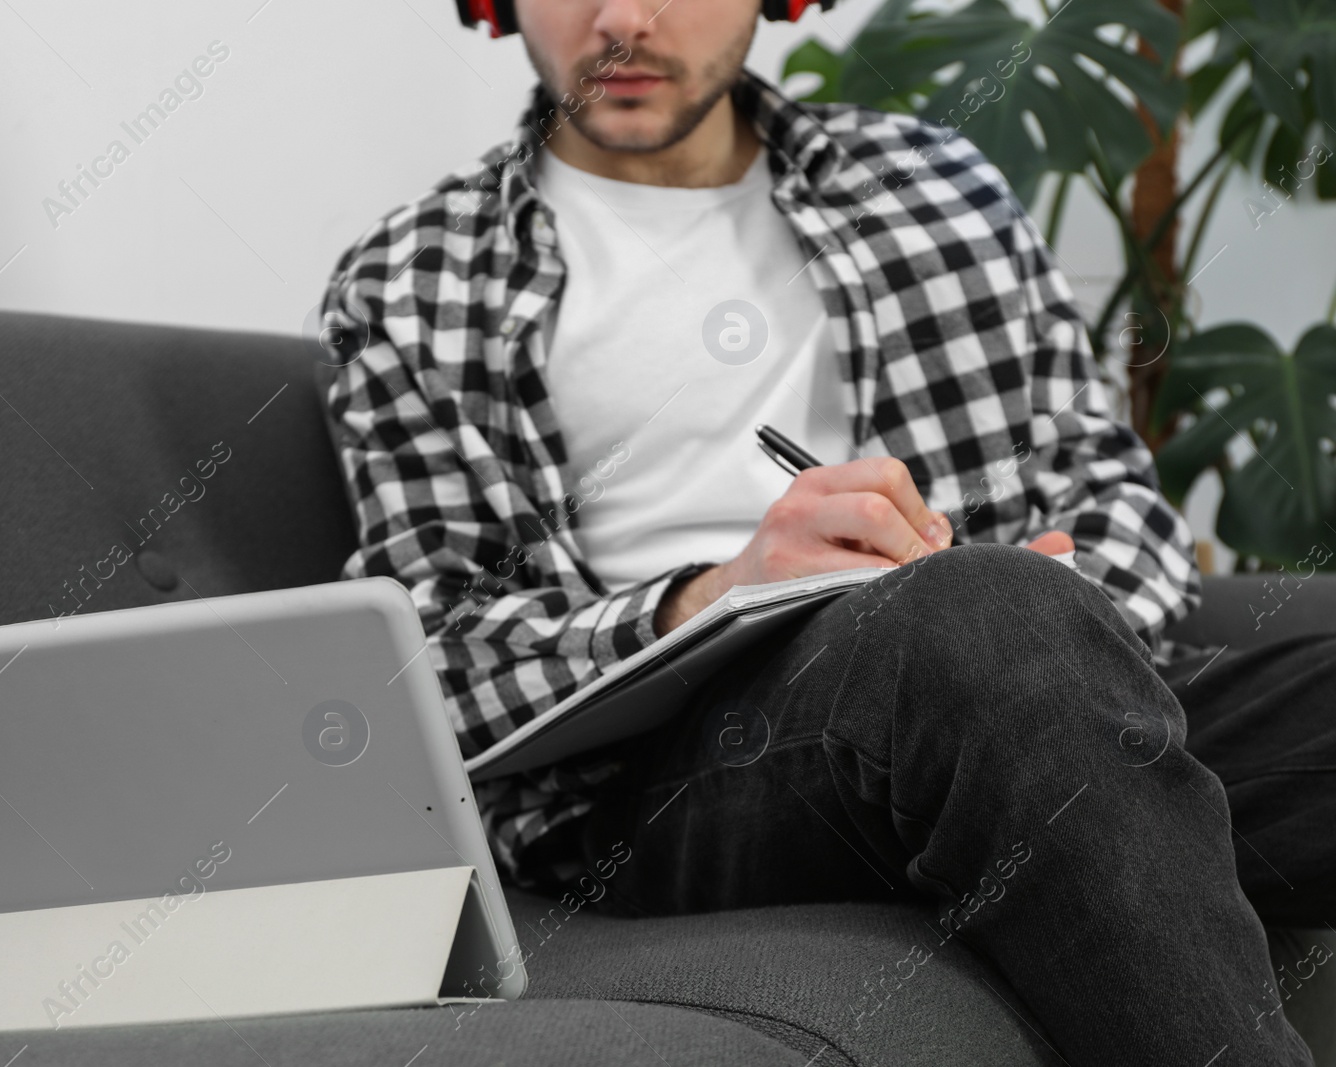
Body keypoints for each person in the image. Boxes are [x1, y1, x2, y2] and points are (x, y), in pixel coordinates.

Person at [315, 1, 1335, 1063]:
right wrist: (715, 593)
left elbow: (1103, 481)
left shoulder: (936, 185)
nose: (621, 19)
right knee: (978, 616)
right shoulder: (409, 281)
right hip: (679, 788)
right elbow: (433, 662)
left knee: (1003, 622)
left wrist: (1060, 612)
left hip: (1017, 691)